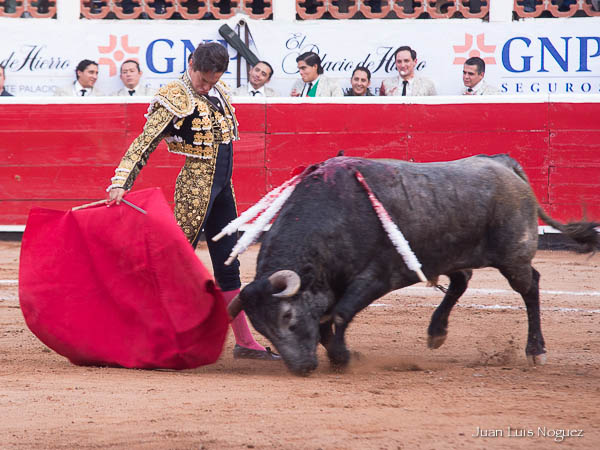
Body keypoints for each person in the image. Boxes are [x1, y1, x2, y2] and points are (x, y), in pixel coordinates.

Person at [105, 42, 279, 361]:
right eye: (203, 79)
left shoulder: (218, 89)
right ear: (191, 63)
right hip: (195, 187)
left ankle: (244, 342)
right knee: (173, 262)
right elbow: (144, 142)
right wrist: (121, 181)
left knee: (229, 262)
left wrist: (212, 86)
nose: (207, 85)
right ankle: (144, 334)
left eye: (213, 80)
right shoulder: (174, 96)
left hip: (223, 188)